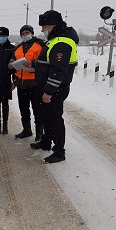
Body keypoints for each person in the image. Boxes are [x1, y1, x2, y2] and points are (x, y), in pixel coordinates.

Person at [29, 10, 79, 163]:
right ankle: (46, 142)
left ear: (53, 24)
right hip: (48, 86)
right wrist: (33, 64)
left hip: (56, 88)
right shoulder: (55, 39)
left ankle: (59, 151)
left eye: (45, 26)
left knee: (54, 119)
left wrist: (49, 91)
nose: (43, 29)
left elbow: (58, 70)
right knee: (47, 116)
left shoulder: (62, 42)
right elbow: (48, 63)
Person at [8, 25, 45, 141]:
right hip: (22, 84)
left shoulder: (40, 46)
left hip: (36, 84)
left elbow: (46, 61)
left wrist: (33, 63)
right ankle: (27, 130)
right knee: (23, 109)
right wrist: (11, 66)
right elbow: (13, 62)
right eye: (23, 34)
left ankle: (39, 134)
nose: (25, 35)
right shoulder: (18, 48)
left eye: (27, 33)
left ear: (32, 33)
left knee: (38, 110)